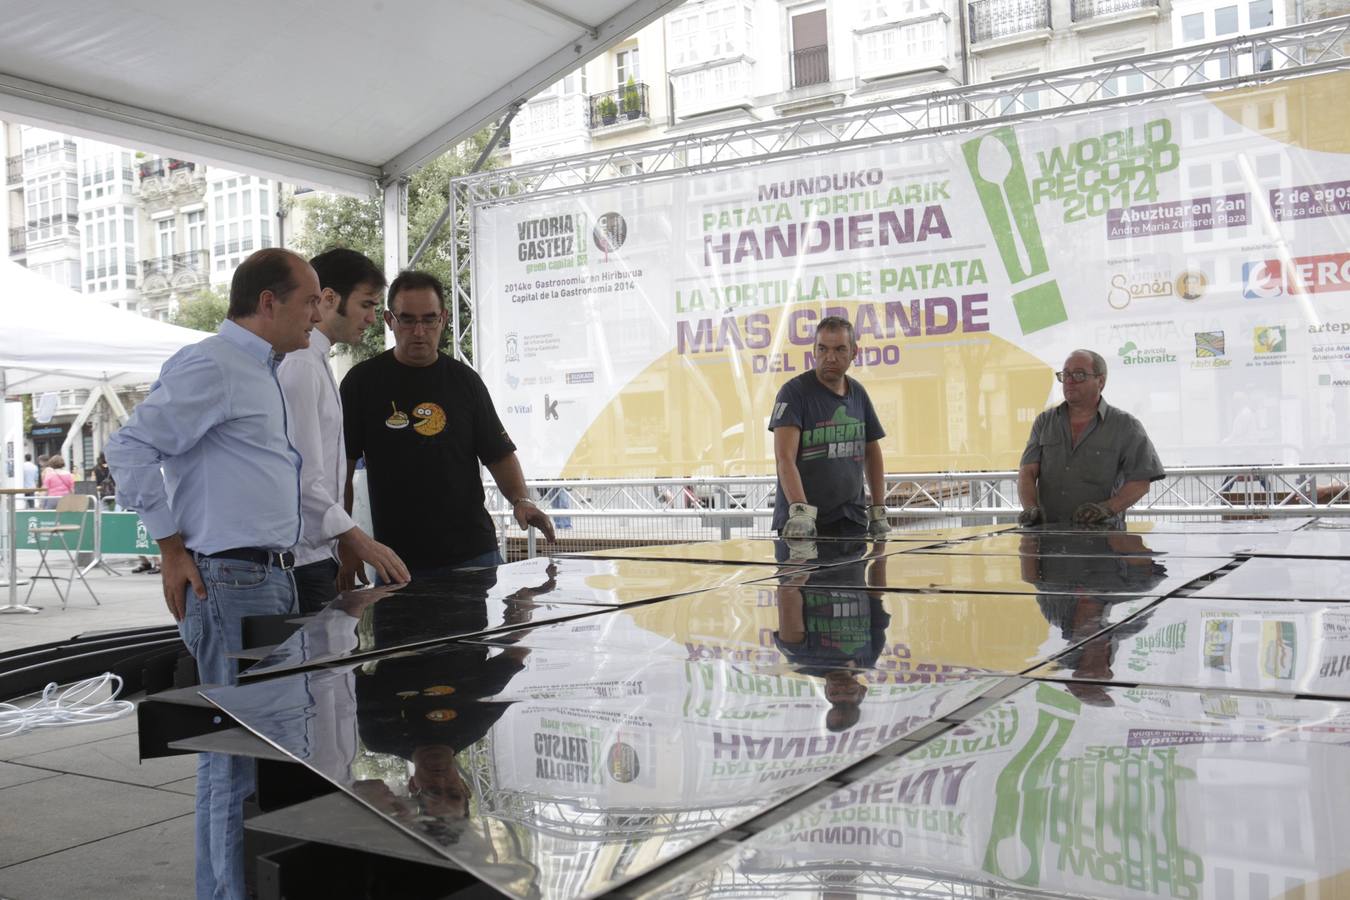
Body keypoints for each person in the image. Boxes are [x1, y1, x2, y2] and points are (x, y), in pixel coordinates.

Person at [106, 247, 320, 900]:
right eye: (310, 299)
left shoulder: (260, 370)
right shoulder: (216, 363)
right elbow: (129, 446)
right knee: (235, 765)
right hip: (232, 584)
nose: (319, 312)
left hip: (261, 581)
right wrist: (171, 545)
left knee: (245, 762)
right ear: (268, 303)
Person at [339, 270, 555, 580]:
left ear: (444, 318)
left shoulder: (465, 381)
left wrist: (521, 500)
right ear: (389, 320)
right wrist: (345, 541)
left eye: (429, 320)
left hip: (473, 555)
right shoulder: (361, 383)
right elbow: (341, 469)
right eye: (408, 320)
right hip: (397, 562)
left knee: (482, 631)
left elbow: (498, 452)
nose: (419, 331)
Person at [278, 248, 409, 612]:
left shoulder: (314, 361)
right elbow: (302, 476)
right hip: (303, 559)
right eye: (366, 305)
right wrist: (356, 538)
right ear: (329, 298)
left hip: (319, 553)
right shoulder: (301, 366)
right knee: (318, 667)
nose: (372, 318)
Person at [768, 316, 889, 541]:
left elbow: (872, 452)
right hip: (802, 525)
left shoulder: (858, 394)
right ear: (814, 350)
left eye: (840, 349)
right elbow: (784, 457)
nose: (830, 357)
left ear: (854, 352)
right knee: (804, 577)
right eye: (822, 349)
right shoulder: (794, 393)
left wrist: (878, 510)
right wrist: (800, 510)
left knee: (854, 577)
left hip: (851, 520)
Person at [1017, 349, 1165, 529]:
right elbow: (1027, 473)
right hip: (1048, 540)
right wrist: (1030, 508)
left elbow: (1141, 483)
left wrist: (1106, 509)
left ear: (1100, 381)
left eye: (1079, 374)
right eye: (1066, 374)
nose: (1069, 380)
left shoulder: (1126, 426)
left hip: (1104, 540)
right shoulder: (1044, 422)